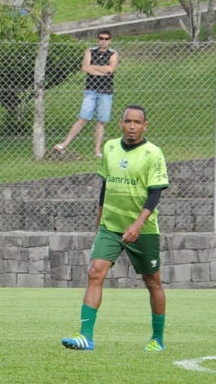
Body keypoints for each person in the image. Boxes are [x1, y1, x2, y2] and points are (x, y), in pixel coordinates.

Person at [63, 105, 169, 353]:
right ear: (120, 123)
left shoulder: (153, 153)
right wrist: (99, 220)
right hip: (110, 227)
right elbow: (105, 186)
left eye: (137, 122)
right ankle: (85, 336)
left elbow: (155, 195)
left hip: (143, 230)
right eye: (127, 121)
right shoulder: (109, 147)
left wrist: (137, 224)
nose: (132, 126)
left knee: (152, 282)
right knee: (94, 272)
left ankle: (157, 339)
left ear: (145, 126)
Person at [55, 30, 118, 158]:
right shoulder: (90, 51)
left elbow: (110, 69)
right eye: (101, 38)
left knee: (101, 121)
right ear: (97, 39)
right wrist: (102, 71)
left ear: (109, 40)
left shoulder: (113, 54)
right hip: (91, 90)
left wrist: (93, 68)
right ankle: (65, 143)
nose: (103, 41)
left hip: (106, 92)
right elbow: (85, 67)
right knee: (83, 118)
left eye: (106, 39)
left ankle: (97, 150)